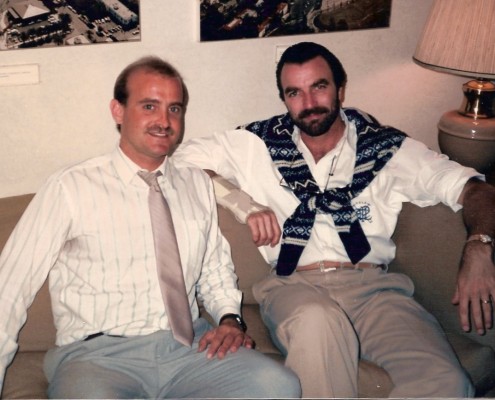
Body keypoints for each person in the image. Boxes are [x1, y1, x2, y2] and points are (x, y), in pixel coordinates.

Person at [174, 41, 495, 398]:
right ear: (284, 99)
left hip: (375, 292)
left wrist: (479, 247)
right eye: (294, 93)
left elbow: (475, 190)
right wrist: (243, 204)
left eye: (319, 87)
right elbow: (181, 160)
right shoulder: (260, 143)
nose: (308, 103)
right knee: (317, 321)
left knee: (448, 384)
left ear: (340, 89)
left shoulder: (385, 147)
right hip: (293, 287)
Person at [0, 56, 301, 399]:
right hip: (97, 359)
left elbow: (214, 269)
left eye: (175, 109)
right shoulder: (70, 188)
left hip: (187, 350)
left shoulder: (196, 184)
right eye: (149, 106)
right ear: (118, 111)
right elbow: (10, 289)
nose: (164, 121)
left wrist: (230, 320)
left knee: (279, 386)